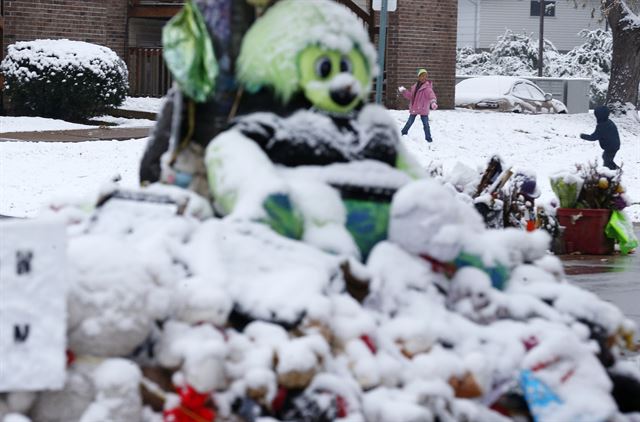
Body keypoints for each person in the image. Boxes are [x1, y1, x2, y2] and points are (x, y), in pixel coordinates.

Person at [398, 68, 438, 143]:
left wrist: (433, 102)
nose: (424, 78)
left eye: (425, 76)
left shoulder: (427, 87)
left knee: (426, 124)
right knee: (409, 122)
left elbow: (431, 95)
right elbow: (411, 96)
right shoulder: (414, 87)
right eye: (422, 76)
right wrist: (404, 91)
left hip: (423, 109)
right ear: (418, 77)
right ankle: (403, 133)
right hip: (415, 107)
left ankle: (428, 138)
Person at [580, 105, 620, 170]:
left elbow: (593, 137)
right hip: (614, 145)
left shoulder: (602, 126)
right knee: (606, 158)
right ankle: (615, 170)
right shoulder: (608, 122)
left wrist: (583, 136)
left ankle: (614, 171)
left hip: (611, 146)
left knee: (607, 160)